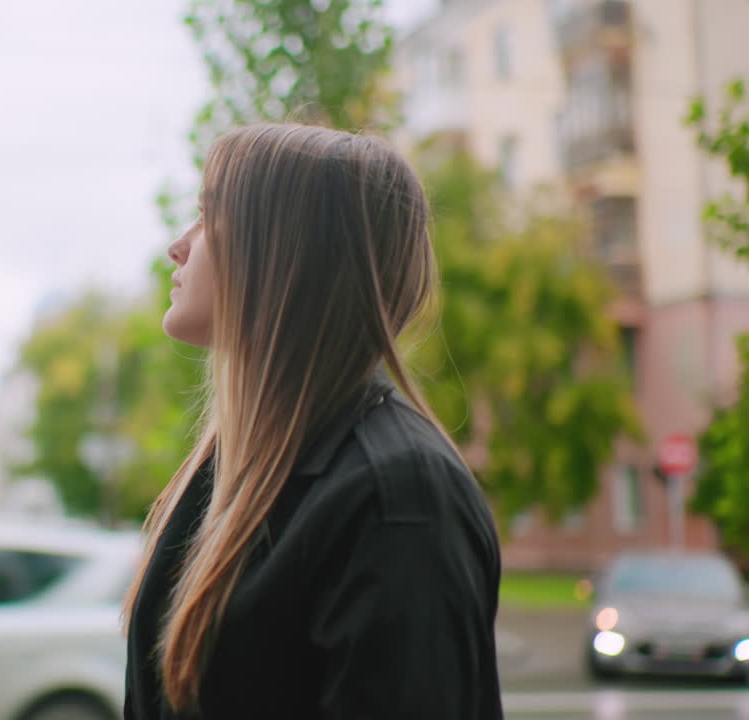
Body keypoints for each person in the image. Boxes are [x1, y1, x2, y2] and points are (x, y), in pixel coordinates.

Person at [123, 124, 503, 720]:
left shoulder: (396, 498)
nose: (178, 244)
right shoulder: (238, 468)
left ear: (287, 250)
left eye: (209, 216)